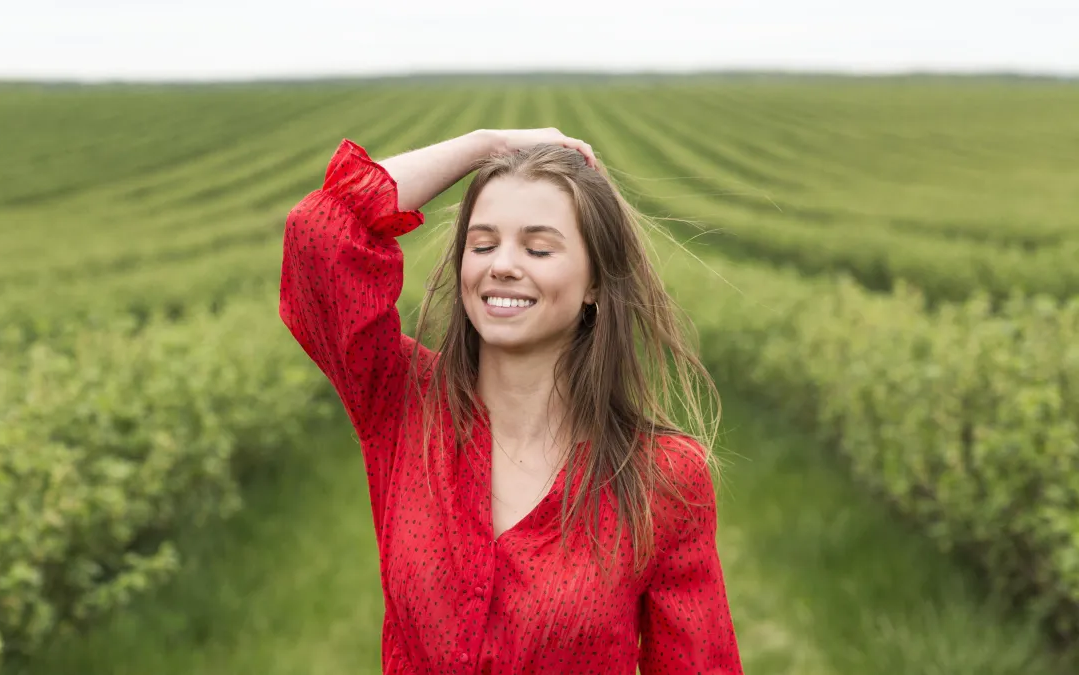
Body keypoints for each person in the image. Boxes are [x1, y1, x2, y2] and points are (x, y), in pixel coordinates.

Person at [279, 128, 742, 674]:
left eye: (538, 248)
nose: (502, 264)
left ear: (595, 282)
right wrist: (485, 145)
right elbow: (320, 233)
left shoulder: (661, 479)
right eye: (482, 244)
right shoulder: (404, 403)